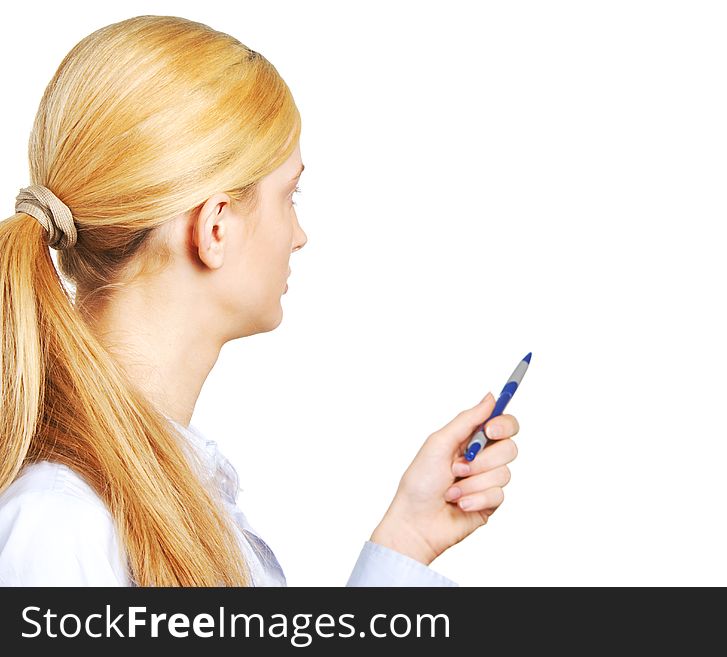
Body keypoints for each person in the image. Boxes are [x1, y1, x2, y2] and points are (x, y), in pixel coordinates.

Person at [0, 15, 520, 587]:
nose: (299, 235)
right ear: (215, 228)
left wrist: (409, 538)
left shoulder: (153, 494)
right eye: (289, 193)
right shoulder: (60, 527)